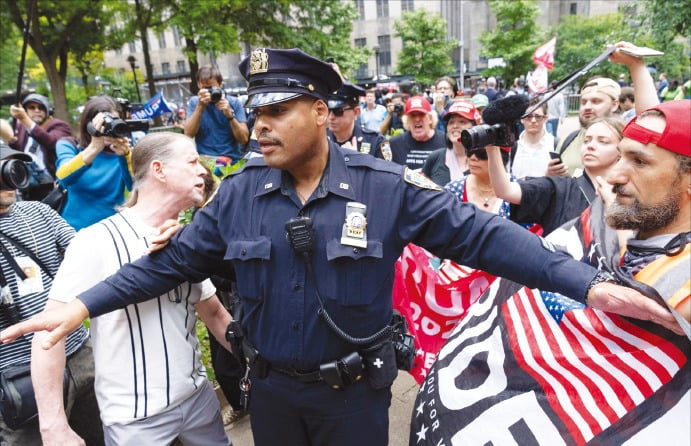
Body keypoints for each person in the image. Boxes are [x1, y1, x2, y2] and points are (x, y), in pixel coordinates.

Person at [0, 48, 681, 446]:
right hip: (269, 393)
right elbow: (176, 263)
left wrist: (583, 283)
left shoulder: (385, 188)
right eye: (254, 113)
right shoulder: (237, 193)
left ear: (320, 114)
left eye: (275, 113)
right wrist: (79, 307)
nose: (257, 127)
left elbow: (482, 237)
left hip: (353, 396)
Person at [31, 132, 233, 446]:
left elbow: (217, 316)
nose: (203, 171)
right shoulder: (96, 241)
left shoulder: (186, 239)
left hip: (198, 401)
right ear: (160, 170)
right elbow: (48, 332)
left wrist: (272, 369)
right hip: (135, 421)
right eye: (193, 162)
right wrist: (53, 425)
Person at [0, 144, 103, 446]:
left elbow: (88, 259)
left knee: (102, 437)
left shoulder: (40, 212)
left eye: (11, 168)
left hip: (79, 354)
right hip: (17, 377)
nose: (8, 179)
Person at [489, 117, 624, 235]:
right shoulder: (559, 188)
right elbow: (505, 191)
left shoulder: (632, 193)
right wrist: (492, 147)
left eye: (603, 141)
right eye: (587, 141)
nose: (591, 146)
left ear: (622, 151)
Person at [55, 96, 133, 231]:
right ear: (88, 124)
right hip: (75, 230)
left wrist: (125, 156)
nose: (107, 129)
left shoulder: (123, 151)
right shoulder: (69, 145)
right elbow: (63, 178)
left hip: (113, 230)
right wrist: (94, 148)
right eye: (103, 124)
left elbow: (136, 188)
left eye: (114, 122)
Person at [4, 94, 72, 200]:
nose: (37, 110)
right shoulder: (21, 127)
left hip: (50, 186)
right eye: (32, 107)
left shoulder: (59, 126)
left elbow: (51, 142)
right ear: (25, 110)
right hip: (25, 184)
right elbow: (15, 150)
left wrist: (24, 119)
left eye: (41, 107)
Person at [556, 77, 620, 176]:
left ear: (614, 105)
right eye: (584, 102)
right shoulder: (568, 140)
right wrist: (550, 174)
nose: (587, 107)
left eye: (596, 101)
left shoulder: (626, 141)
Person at [185, 65, 249, 163]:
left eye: (211, 88)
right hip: (206, 162)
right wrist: (200, 107)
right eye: (205, 88)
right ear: (198, 85)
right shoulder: (195, 102)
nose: (209, 92)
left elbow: (244, 139)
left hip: (232, 161)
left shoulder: (233, 102)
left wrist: (230, 115)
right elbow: (188, 134)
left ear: (220, 84)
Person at [421, 100, 481, 186]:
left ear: (474, 127)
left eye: (462, 122)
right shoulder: (434, 158)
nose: (455, 126)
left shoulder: (484, 160)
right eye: (451, 122)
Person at [327, 82, 389, 160]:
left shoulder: (375, 141)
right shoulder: (320, 139)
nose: (331, 117)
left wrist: (356, 160)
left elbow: (384, 170)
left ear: (356, 112)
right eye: (328, 111)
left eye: (338, 111)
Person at [389, 96, 446, 168]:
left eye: (421, 114)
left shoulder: (446, 142)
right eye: (412, 115)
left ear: (430, 118)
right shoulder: (394, 145)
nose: (417, 119)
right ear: (406, 120)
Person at [511, 98, 556, 179]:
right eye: (528, 116)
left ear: (545, 118)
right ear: (522, 119)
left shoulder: (554, 145)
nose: (533, 120)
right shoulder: (513, 147)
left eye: (538, 116)